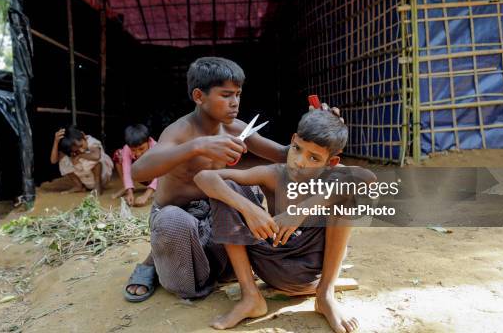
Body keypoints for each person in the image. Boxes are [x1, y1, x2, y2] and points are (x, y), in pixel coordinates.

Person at [124, 56, 342, 303]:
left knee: (238, 189)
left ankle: (210, 263)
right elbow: (139, 172)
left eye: (238, 94)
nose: (235, 103)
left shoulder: (237, 129)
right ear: (199, 96)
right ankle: (153, 260)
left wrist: (319, 130)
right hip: (178, 217)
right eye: (226, 95)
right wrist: (197, 147)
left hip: (216, 212)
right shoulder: (180, 131)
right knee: (174, 224)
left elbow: (286, 154)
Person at [194, 109, 376, 332]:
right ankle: (251, 297)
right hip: (272, 262)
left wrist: (302, 210)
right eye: (297, 149)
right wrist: (250, 209)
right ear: (292, 141)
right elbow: (203, 177)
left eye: (314, 158)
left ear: (331, 162)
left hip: (312, 269)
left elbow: (368, 179)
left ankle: (325, 296)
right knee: (226, 191)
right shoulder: (273, 174)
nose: (299, 162)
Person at [50, 126, 114, 195]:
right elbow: (53, 160)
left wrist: (80, 156)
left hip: (102, 177)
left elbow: (96, 156)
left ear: (83, 135)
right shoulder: (72, 149)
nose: (80, 149)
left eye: (81, 145)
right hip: (87, 180)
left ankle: (98, 187)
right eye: (76, 150)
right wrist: (56, 141)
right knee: (63, 160)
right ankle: (78, 186)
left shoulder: (91, 141)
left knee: (91, 158)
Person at [112, 124, 158, 206]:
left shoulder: (156, 147)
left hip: (156, 178)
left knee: (165, 164)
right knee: (118, 154)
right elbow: (126, 170)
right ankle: (127, 187)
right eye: (133, 150)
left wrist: (146, 196)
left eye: (141, 149)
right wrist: (129, 192)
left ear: (148, 141)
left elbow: (160, 174)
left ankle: (153, 189)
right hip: (141, 176)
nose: (138, 153)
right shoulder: (127, 148)